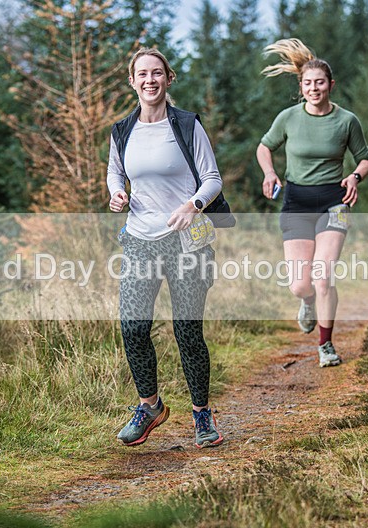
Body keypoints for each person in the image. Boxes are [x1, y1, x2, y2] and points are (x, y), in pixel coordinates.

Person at [107, 47, 224, 448]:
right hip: (139, 240)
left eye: (157, 73)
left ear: (168, 78)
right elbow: (115, 172)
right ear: (132, 81)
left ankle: (202, 414)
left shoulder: (188, 125)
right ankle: (149, 406)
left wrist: (193, 205)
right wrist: (116, 194)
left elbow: (212, 178)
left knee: (187, 330)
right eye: (142, 74)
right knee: (133, 326)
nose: (150, 80)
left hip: (185, 242)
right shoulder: (122, 130)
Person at [256, 38, 368, 367]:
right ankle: (307, 302)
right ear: (301, 86)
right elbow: (264, 147)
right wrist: (269, 172)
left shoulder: (346, 120)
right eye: (308, 83)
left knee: (323, 277)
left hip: (334, 202)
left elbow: (365, 159)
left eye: (319, 82)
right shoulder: (288, 118)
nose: (314, 88)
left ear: (330, 85)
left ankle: (326, 345)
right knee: (300, 285)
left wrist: (355, 177)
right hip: (296, 202)